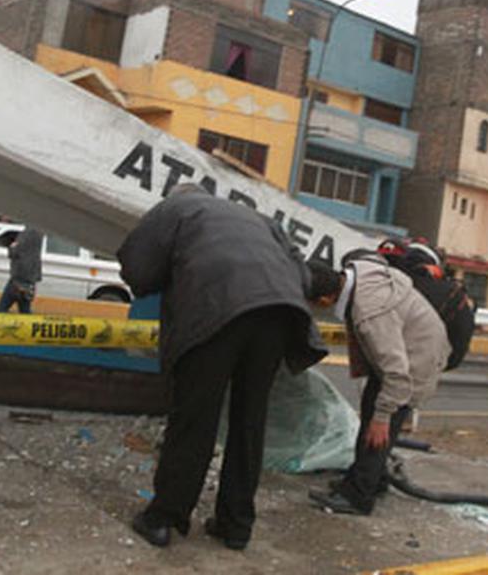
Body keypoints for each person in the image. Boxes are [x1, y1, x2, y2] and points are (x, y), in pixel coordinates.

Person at [116, 184, 326, 550]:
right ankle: (235, 525)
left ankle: (163, 517)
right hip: (279, 313)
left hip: (217, 309)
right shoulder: (256, 217)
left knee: (195, 416)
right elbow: (304, 276)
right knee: (249, 420)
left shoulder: (177, 208)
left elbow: (137, 268)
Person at [305, 255, 450, 516]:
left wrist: (383, 417)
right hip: (414, 345)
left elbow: (397, 373)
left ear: (326, 300)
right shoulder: (359, 273)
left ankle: (359, 497)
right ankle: (372, 479)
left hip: (415, 361)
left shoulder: (370, 314)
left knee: (378, 428)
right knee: (372, 411)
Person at [0, 227, 43, 313]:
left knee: (1, 308)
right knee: (24, 308)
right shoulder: (39, 233)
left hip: (19, 276)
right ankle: (28, 325)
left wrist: (11, 247)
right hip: (30, 278)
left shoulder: (26, 233)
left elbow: (15, 251)